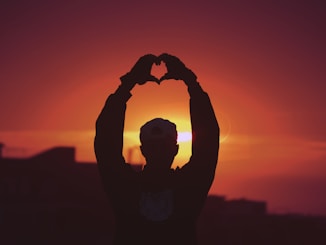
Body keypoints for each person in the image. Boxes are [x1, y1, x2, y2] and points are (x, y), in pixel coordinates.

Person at [94, 53, 219, 245]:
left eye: (162, 147)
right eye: (155, 147)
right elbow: (208, 142)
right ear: (175, 150)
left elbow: (106, 142)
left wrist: (127, 85)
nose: (159, 152)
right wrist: (191, 83)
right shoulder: (190, 186)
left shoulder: (124, 186)